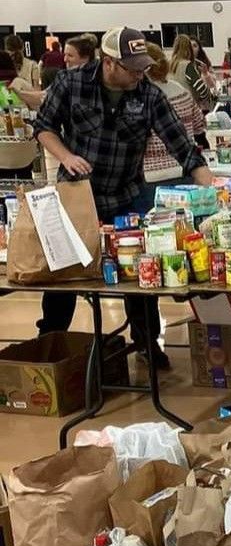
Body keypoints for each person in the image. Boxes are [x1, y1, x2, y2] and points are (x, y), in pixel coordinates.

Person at [33, 25, 213, 366]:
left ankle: (147, 342)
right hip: (77, 196)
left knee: (139, 273)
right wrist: (66, 156)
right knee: (63, 275)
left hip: (126, 197)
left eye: (142, 67)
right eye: (132, 68)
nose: (139, 74)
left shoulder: (148, 95)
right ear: (110, 62)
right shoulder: (71, 84)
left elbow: (183, 147)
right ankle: (49, 342)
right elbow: (43, 126)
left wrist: (213, 190)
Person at [140, 42, 205, 210]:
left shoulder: (141, 97)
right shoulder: (181, 91)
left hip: (150, 178)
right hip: (184, 173)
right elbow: (199, 125)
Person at [169, 34, 213, 111]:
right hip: (188, 109)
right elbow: (202, 90)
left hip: (172, 109)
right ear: (188, 48)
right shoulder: (187, 66)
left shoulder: (169, 64)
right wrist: (209, 96)